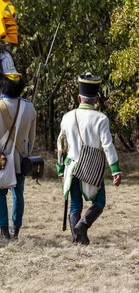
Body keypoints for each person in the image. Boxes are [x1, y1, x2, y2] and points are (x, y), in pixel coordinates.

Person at [57, 73, 121, 245]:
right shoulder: (101, 119)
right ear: (96, 100)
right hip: (92, 168)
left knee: (75, 205)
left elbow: (61, 145)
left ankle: (77, 238)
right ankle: (83, 227)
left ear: (79, 98)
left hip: (71, 168)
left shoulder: (67, 117)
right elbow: (107, 146)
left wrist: (60, 168)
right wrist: (115, 169)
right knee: (99, 201)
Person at [0, 47, 36, 239]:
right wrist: (25, 152)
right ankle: (17, 229)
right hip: (20, 157)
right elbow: (32, 138)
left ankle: (4, 230)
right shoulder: (29, 108)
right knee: (18, 195)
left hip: (0, 158)